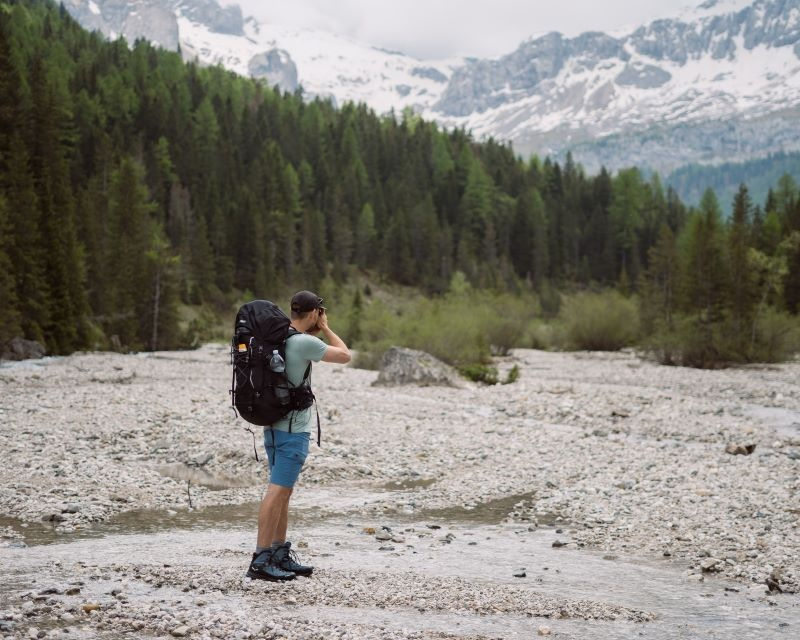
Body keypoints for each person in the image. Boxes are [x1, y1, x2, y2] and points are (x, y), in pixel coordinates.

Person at [246, 290, 351, 582]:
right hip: (293, 432)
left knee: (283, 492)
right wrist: (326, 328)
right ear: (315, 312)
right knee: (277, 492)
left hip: (273, 427)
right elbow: (345, 355)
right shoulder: (304, 342)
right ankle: (260, 559)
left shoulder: (277, 338)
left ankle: (278, 553)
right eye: (320, 313)